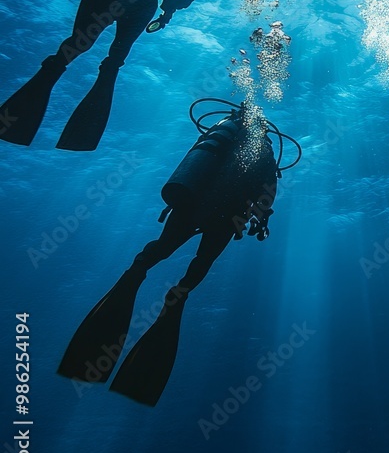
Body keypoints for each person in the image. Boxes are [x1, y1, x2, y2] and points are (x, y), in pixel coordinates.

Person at [57, 104, 294, 406]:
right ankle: (179, 293)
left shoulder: (223, 134)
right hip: (228, 217)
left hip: (193, 202)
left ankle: (137, 272)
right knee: (202, 263)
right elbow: (267, 193)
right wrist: (259, 220)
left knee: (162, 247)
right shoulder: (265, 149)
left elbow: (198, 165)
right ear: (264, 128)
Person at [0, 0, 200, 151]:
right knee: (116, 56)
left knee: (76, 45)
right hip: (140, 2)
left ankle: (39, 87)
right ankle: (108, 73)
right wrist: (171, 8)